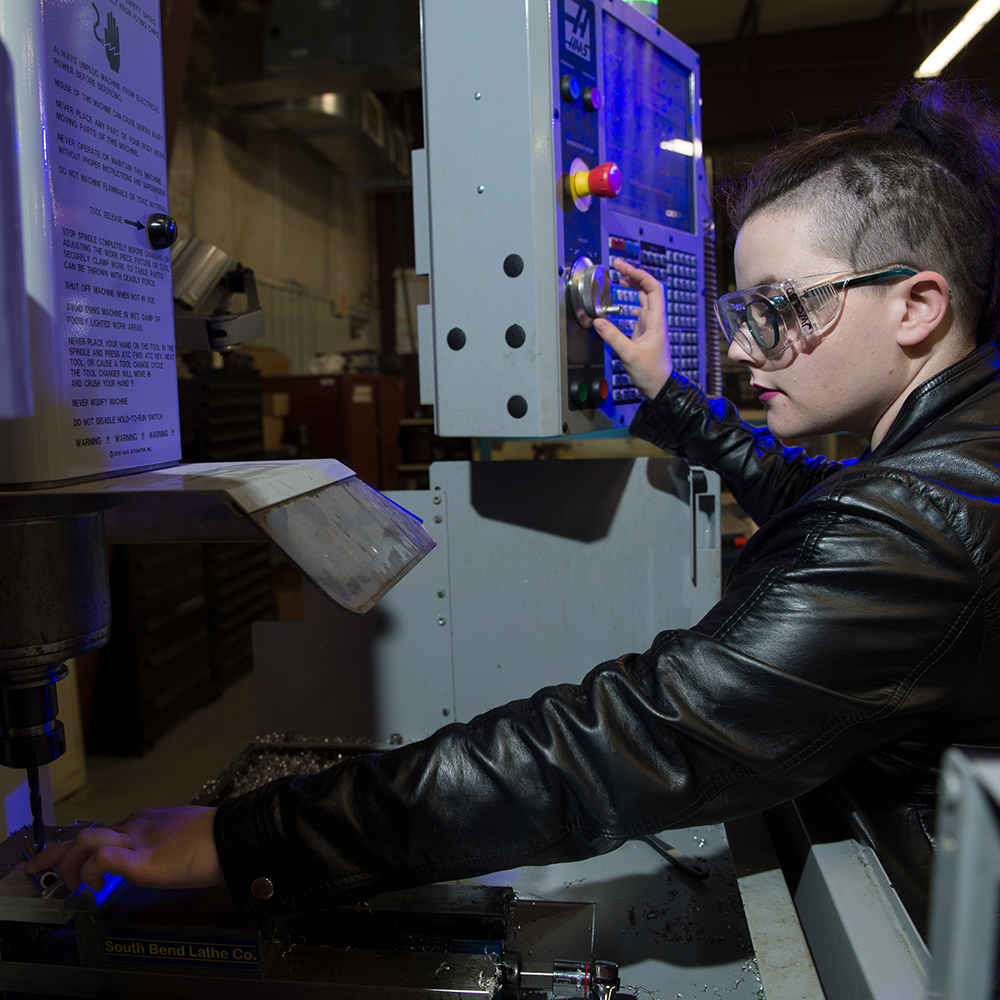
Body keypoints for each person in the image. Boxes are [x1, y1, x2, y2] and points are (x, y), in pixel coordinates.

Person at [31, 79, 1000, 938]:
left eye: (775, 309)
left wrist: (244, 838)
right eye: (737, 313)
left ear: (914, 306)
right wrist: (665, 391)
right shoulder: (949, 452)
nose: (744, 350)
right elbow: (812, 499)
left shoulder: (923, 523)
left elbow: (638, 733)